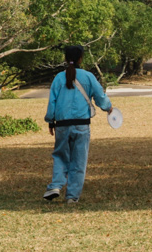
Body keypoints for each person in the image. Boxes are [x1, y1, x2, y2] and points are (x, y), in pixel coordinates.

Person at [42, 44, 112, 202]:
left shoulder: (59, 78)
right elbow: (100, 96)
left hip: (61, 125)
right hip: (81, 124)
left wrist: (50, 121)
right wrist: (108, 107)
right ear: (81, 58)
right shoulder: (88, 76)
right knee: (79, 160)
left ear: (66, 59)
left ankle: (55, 185)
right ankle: (72, 196)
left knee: (60, 155)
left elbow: (52, 102)